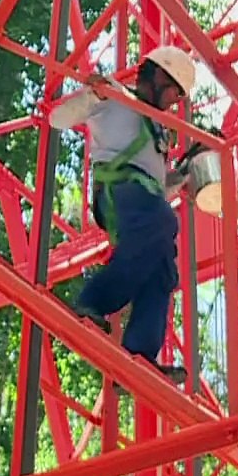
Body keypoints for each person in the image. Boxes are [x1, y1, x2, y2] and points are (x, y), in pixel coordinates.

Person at [49, 45, 199, 386]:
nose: (175, 102)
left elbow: (161, 187)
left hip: (144, 198)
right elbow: (57, 119)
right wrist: (92, 97)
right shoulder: (114, 97)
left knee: (163, 269)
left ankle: (139, 355)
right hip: (120, 192)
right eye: (175, 92)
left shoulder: (158, 129)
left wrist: (188, 169)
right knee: (163, 222)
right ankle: (92, 303)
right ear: (160, 76)